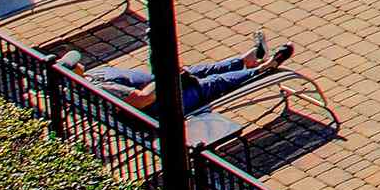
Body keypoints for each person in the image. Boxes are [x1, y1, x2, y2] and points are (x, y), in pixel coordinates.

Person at [61, 32, 291, 114]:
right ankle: (261, 71)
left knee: (198, 71)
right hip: (163, 107)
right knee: (212, 83)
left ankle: (244, 61)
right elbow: (141, 100)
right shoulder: (99, 89)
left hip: (162, 89)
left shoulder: (89, 78)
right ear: (74, 74)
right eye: (75, 65)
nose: (79, 63)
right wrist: (166, 78)